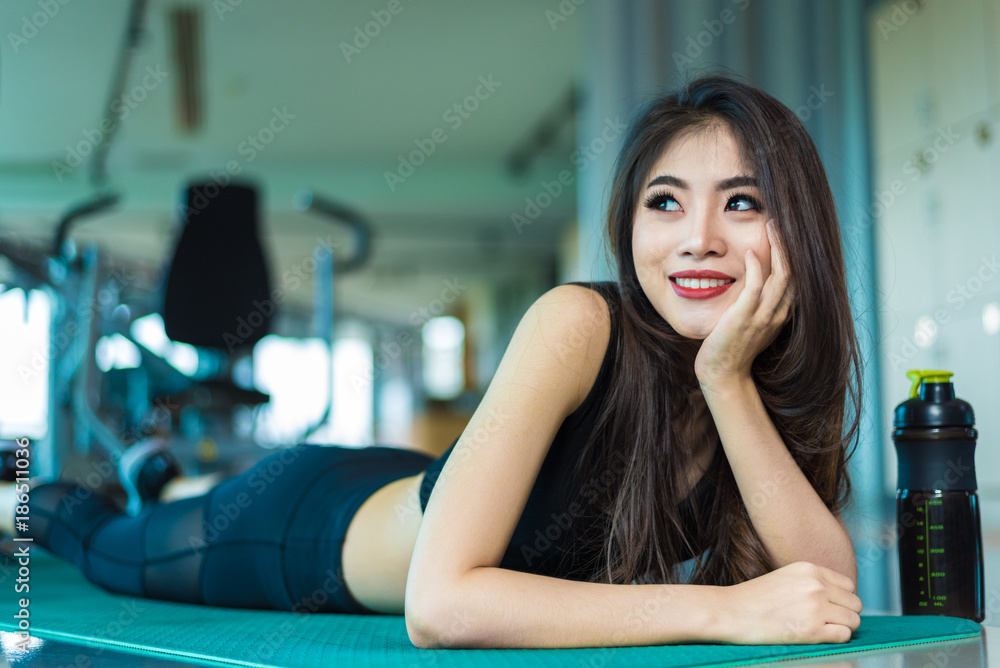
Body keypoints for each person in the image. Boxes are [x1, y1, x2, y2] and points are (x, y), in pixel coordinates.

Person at [0, 72, 863, 649]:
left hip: (405, 482)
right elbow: (440, 605)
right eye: (665, 202)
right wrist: (719, 611)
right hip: (306, 531)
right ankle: (32, 498)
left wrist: (726, 380)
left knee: (163, 503)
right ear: (630, 225)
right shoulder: (579, 324)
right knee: (107, 545)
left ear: (795, 229)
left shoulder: (751, 384)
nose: (698, 240)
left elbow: (824, 589)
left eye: (742, 202)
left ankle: (159, 476)